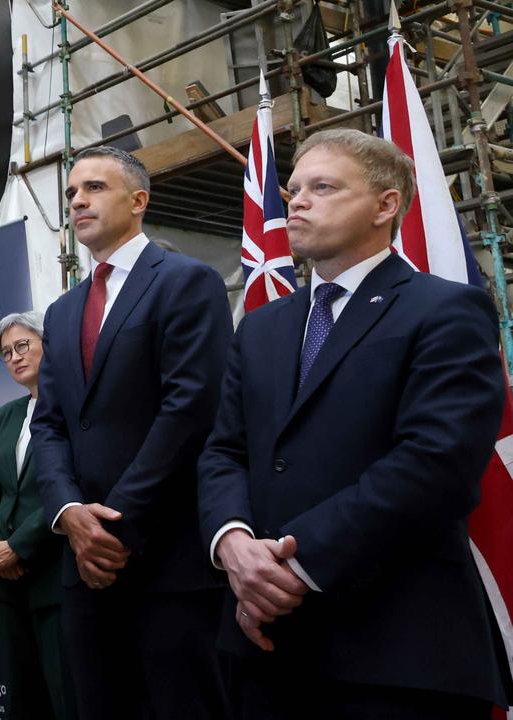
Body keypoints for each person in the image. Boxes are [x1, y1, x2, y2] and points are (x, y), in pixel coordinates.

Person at [198, 128, 510, 718]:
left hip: (397, 653)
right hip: (264, 650)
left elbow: (434, 464)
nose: (296, 202)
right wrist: (234, 546)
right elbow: (224, 452)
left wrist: (289, 565)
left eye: (323, 187)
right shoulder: (261, 327)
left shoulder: (445, 310)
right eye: (293, 190)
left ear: (386, 205)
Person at [31, 145, 234, 719]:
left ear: (138, 201)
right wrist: (69, 513)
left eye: (94, 188)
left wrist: (113, 524)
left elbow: (190, 410)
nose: (77, 201)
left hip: (165, 560)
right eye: (72, 192)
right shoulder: (63, 311)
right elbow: (50, 424)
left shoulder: (186, 282)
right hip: (82, 565)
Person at [0, 311, 74, 720]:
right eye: (5, 353)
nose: (14, 357)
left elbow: (68, 487)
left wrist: (18, 546)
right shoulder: (6, 415)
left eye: (22, 345)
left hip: (53, 576)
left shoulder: (72, 408)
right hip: (7, 583)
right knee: (22, 700)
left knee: (63, 697)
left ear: (46, 344)